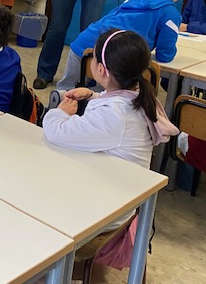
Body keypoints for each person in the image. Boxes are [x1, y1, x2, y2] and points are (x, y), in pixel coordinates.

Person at [43, 30, 178, 226]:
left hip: (104, 213)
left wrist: (60, 112)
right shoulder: (138, 94)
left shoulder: (114, 115)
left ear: (101, 69)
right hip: (114, 195)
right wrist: (92, 95)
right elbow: (117, 105)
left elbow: (56, 132)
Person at [55, 0, 191, 91]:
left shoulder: (134, 0)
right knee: (109, 94)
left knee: (66, 90)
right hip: (115, 58)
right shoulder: (171, 14)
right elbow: (165, 54)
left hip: (84, 44)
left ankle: (58, 102)